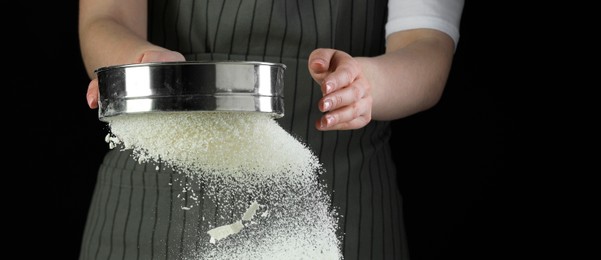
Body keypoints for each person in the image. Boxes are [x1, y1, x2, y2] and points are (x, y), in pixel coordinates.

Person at [78, 0, 464, 259]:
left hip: (340, 203)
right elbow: (105, 17)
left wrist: (366, 85)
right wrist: (142, 68)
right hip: (147, 209)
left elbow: (426, 44)